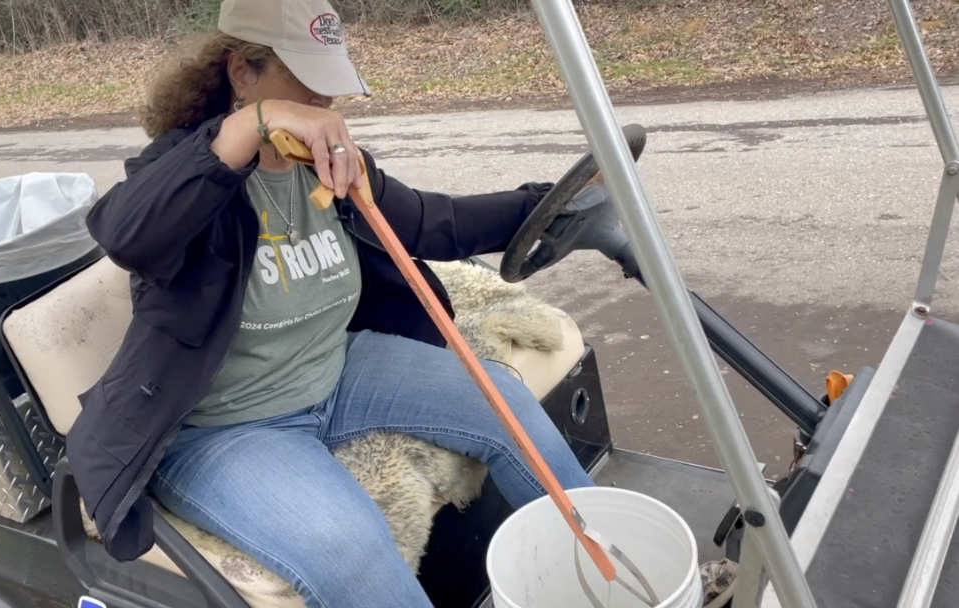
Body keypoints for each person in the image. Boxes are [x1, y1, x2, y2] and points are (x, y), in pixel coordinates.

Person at [66, 0, 737, 606]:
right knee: (351, 549)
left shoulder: (322, 165)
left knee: (504, 405)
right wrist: (256, 127)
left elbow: (432, 222)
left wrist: (548, 202)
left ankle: (620, 579)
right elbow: (125, 232)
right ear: (243, 73)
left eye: (328, 82)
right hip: (222, 426)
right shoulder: (185, 174)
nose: (324, 101)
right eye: (302, 83)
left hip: (335, 372)